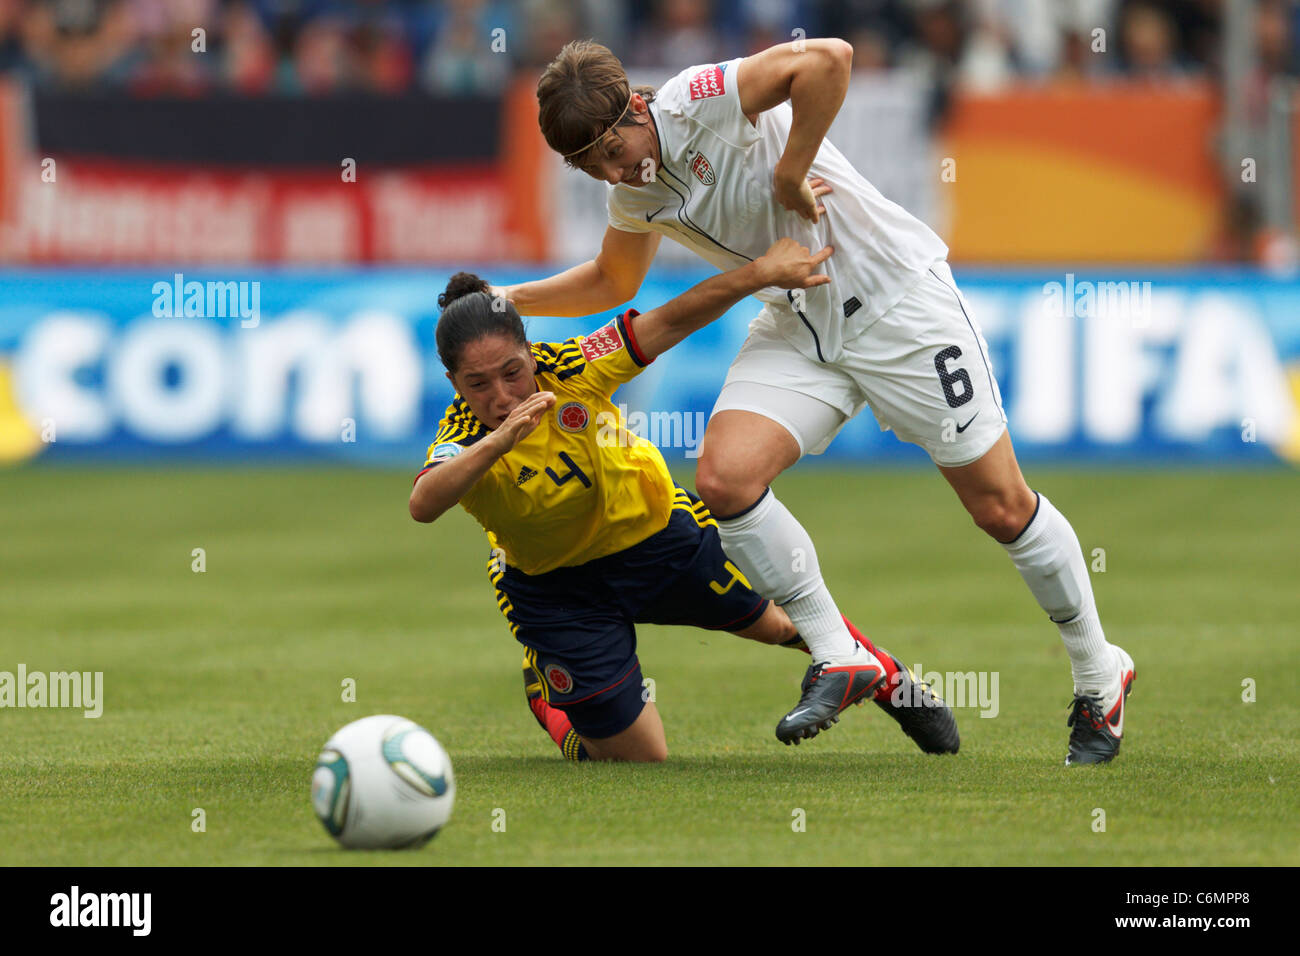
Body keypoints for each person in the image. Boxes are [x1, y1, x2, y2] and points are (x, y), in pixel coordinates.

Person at [499, 39, 1134, 765]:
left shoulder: (698, 98)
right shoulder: (634, 192)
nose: (616, 171)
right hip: (800, 320)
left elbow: (828, 58)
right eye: (593, 167)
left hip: (897, 301)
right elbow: (613, 282)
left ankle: (1098, 673)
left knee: (1000, 507)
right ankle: (839, 653)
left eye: (615, 148)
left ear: (638, 106)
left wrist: (791, 168)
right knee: (725, 480)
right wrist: (508, 297)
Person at [409, 239, 959, 761]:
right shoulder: (461, 437)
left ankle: (891, 682)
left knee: (784, 626)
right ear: (454, 381)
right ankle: (548, 697)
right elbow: (424, 503)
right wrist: (501, 440)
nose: (502, 396)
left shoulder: (576, 365)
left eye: (512, 372)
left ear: (531, 352)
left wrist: (756, 274)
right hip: (557, 588)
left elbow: (671, 319)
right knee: (640, 757)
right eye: (478, 384)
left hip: (657, 538)